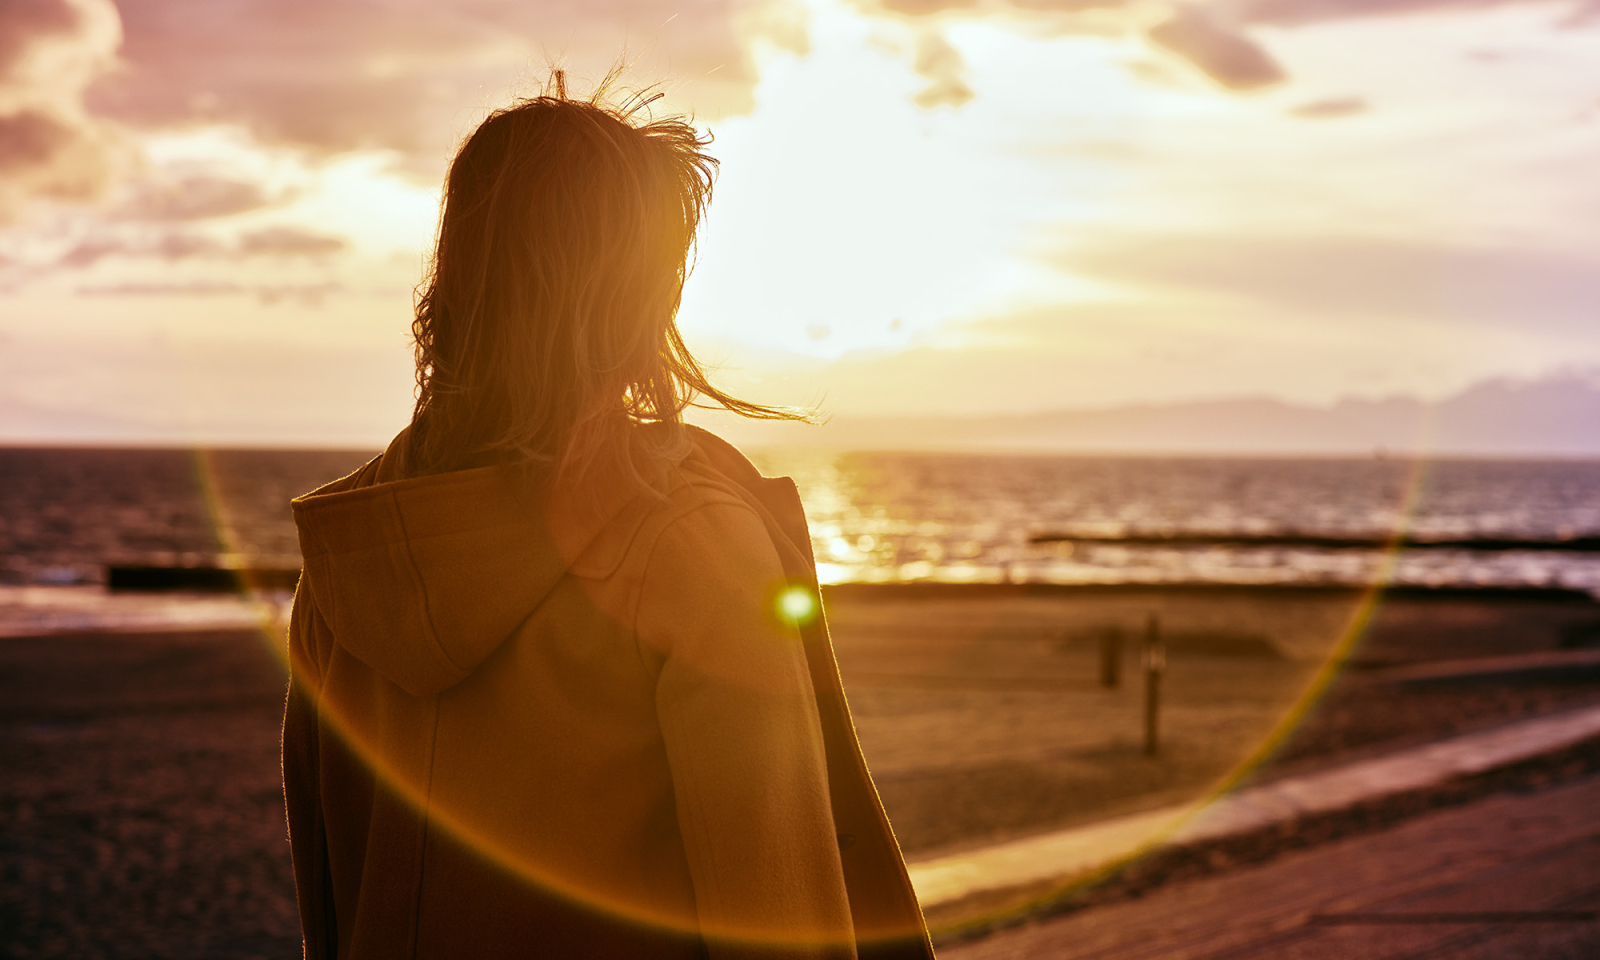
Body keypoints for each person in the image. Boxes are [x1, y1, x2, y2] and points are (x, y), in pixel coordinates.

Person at [281, 74, 935, 959]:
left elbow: (330, 895)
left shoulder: (354, 550)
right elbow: (778, 913)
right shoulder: (688, 541)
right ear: (642, 296)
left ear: (458, 283)